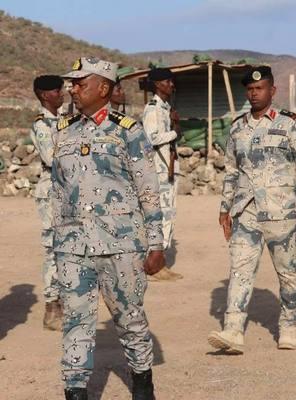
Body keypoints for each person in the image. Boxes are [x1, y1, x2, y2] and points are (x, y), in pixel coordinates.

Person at [52, 57, 165, 400]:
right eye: (71, 83)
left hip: (122, 244)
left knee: (130, 320)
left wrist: (156, 244)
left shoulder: (127, 130)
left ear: (103, 88)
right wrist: (57, 239)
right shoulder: (64, 130)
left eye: (79, 83)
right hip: (73, 245)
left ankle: (142, 383)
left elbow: (148, 188)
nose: (72, 88)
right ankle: (75, 391)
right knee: (75, 321)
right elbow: (58, 190)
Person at [208, 66, 296, 354]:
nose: (254, 93)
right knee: (240, 270)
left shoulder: (290, 125)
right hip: (245, 210)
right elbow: (232, 171)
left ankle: (288, 325)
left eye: (259, 89)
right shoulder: (237, 127)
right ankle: (233, 330)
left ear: (272, 91)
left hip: (282, 212)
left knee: (289, 274)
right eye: (249, 89)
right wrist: (225, 208)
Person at [30, 75, 64, 330]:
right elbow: (52, 158)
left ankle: (65, 301)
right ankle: (52, 308)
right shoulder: (42, 125)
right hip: (51, 191)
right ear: (44, 95)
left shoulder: (64, 119)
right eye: (56, 90)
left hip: (67, 191)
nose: (61, 92)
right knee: (54, 249)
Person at [143, 68, 183, 281]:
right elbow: (152, 138)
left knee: (168, 216)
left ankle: (159, 262)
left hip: (168, 168)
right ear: (158, 84)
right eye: (168, 82)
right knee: (161, 216)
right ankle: (153, 265)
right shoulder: (153, 109)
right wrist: (175, 131)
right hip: (159, 170)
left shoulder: (165, 108)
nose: (171, 85)